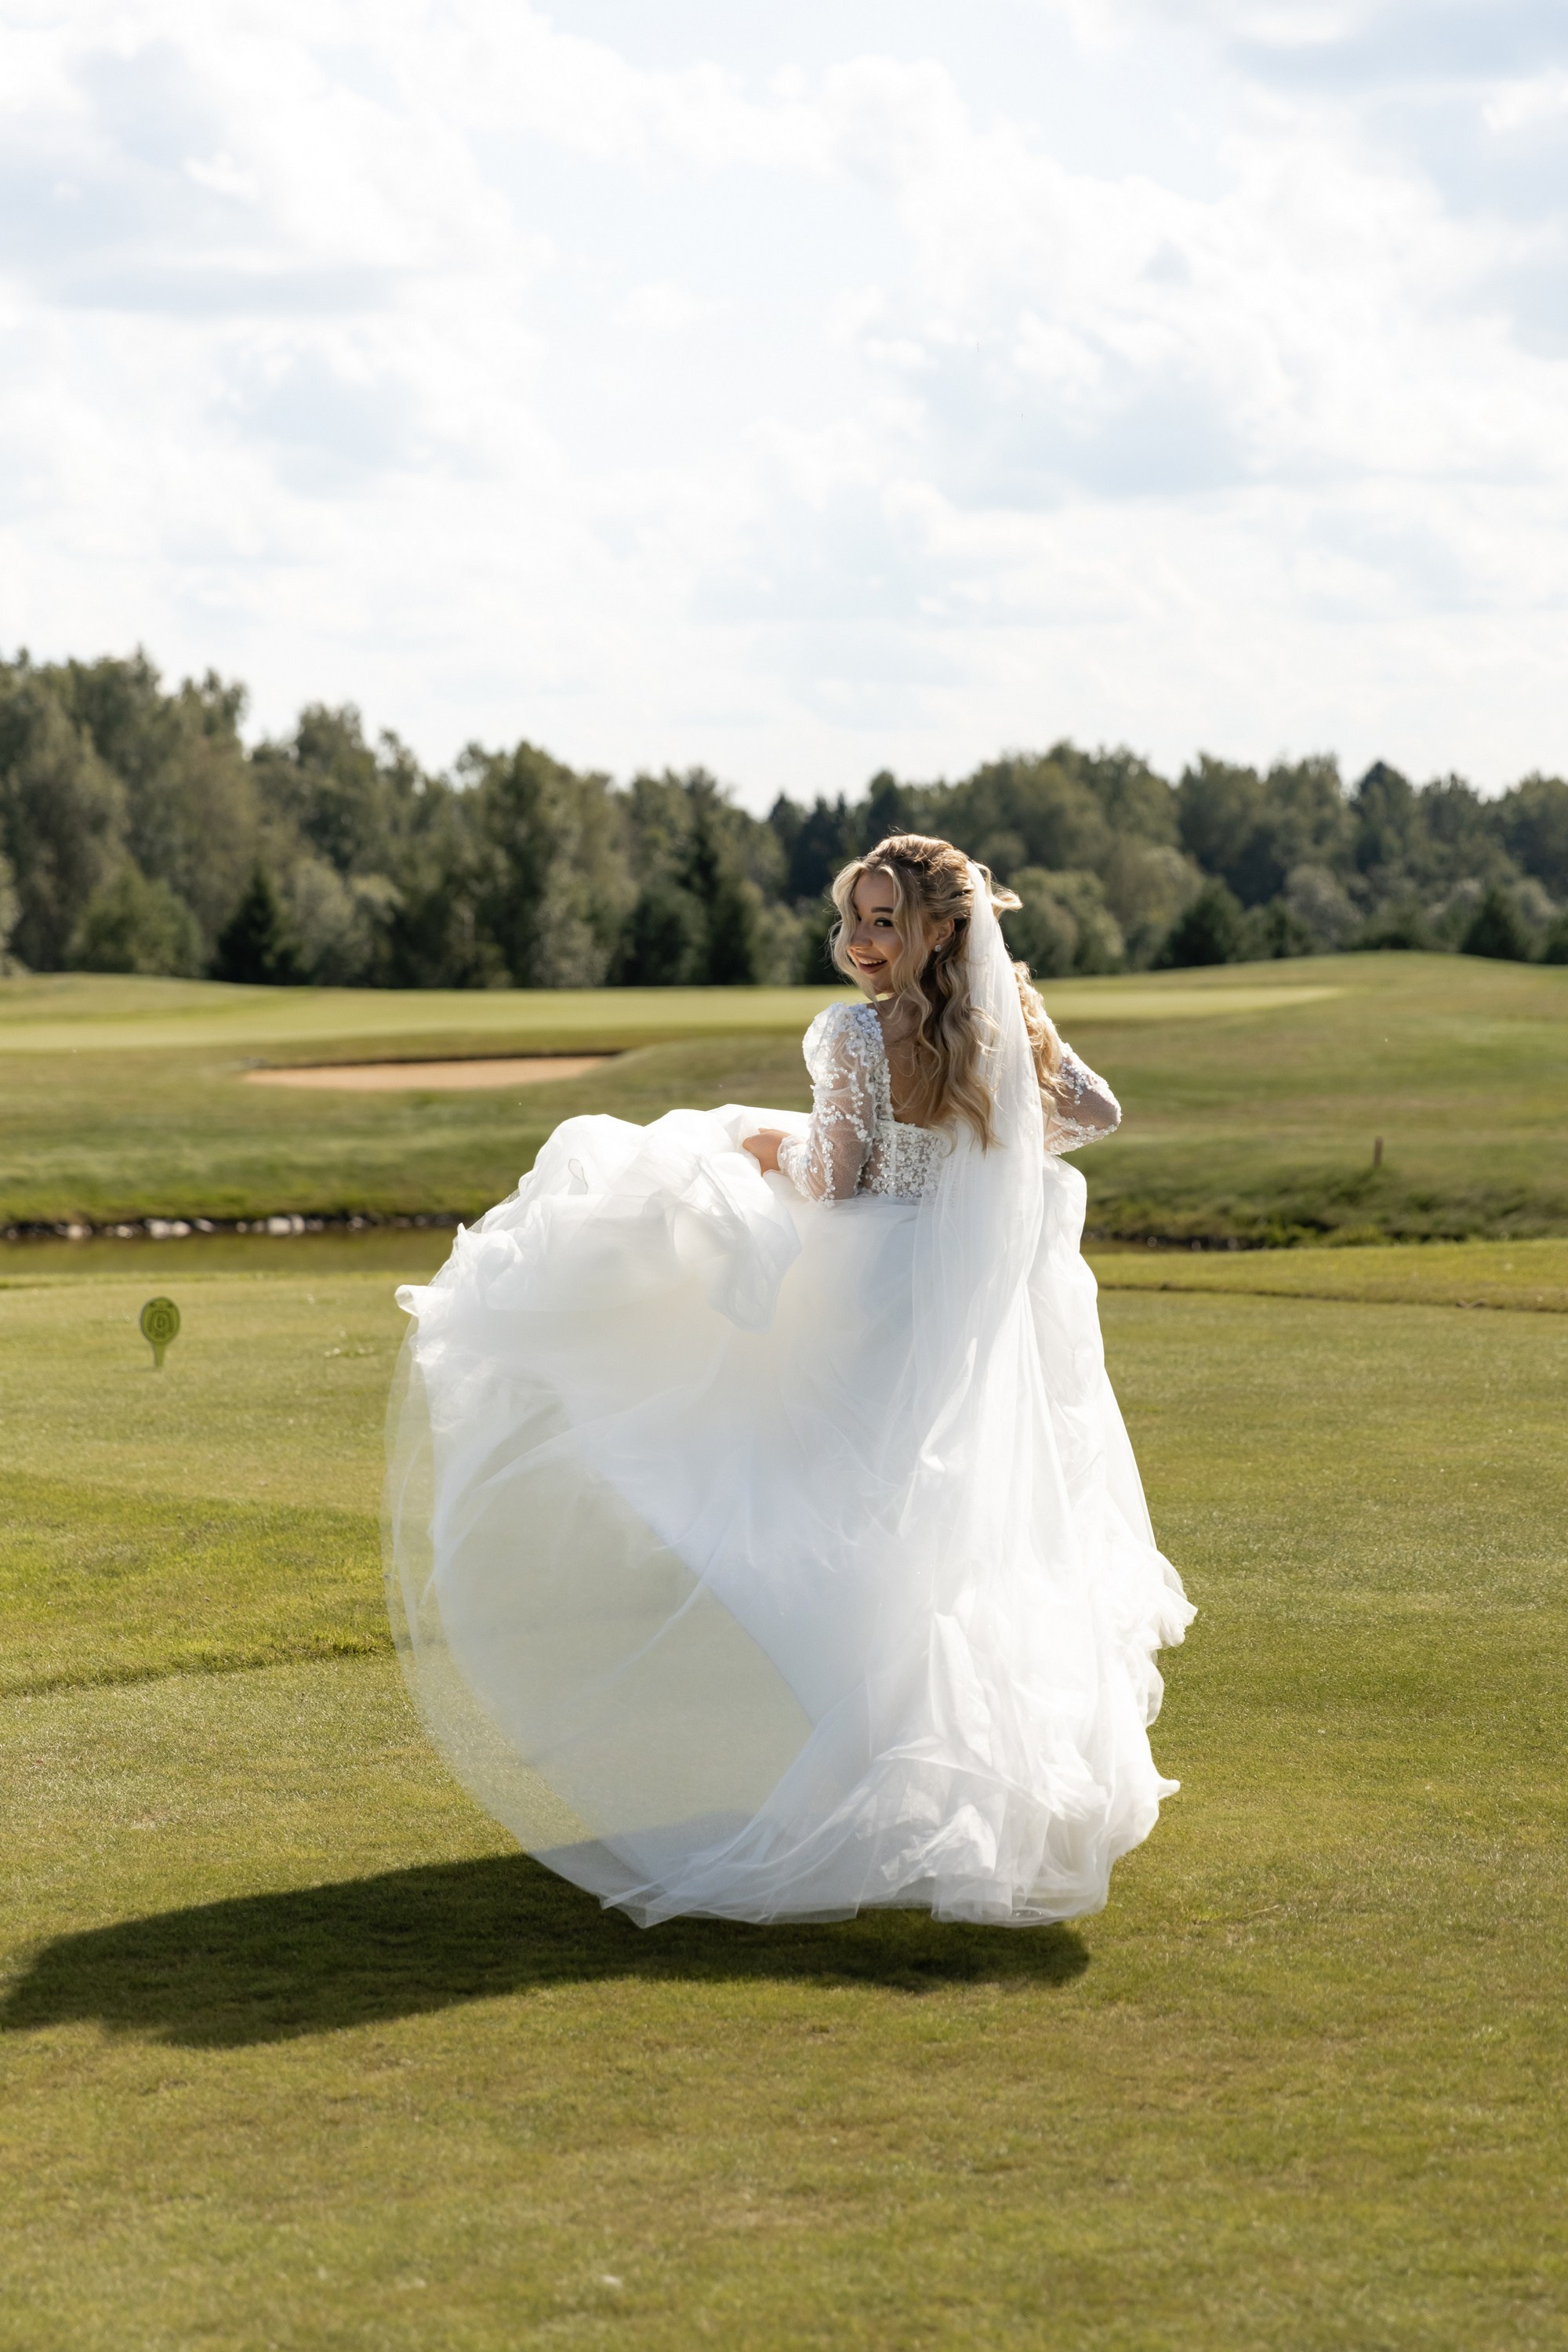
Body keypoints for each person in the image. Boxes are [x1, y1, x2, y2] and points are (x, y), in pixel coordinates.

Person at [385, 833, 1192, 1928]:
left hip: (874, 1301)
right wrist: (988, 1137)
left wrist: (764, 1149)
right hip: (964, 1307)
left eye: (883, 921)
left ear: (938, 929)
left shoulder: (855, 1036)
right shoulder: (1012, 1024)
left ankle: (886, 1769)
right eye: (852, 919)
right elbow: (1095, 1114)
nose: (859, 943)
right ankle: (936, 1781)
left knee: (839, 1526)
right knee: (946, 1533)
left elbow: (838, 1180)